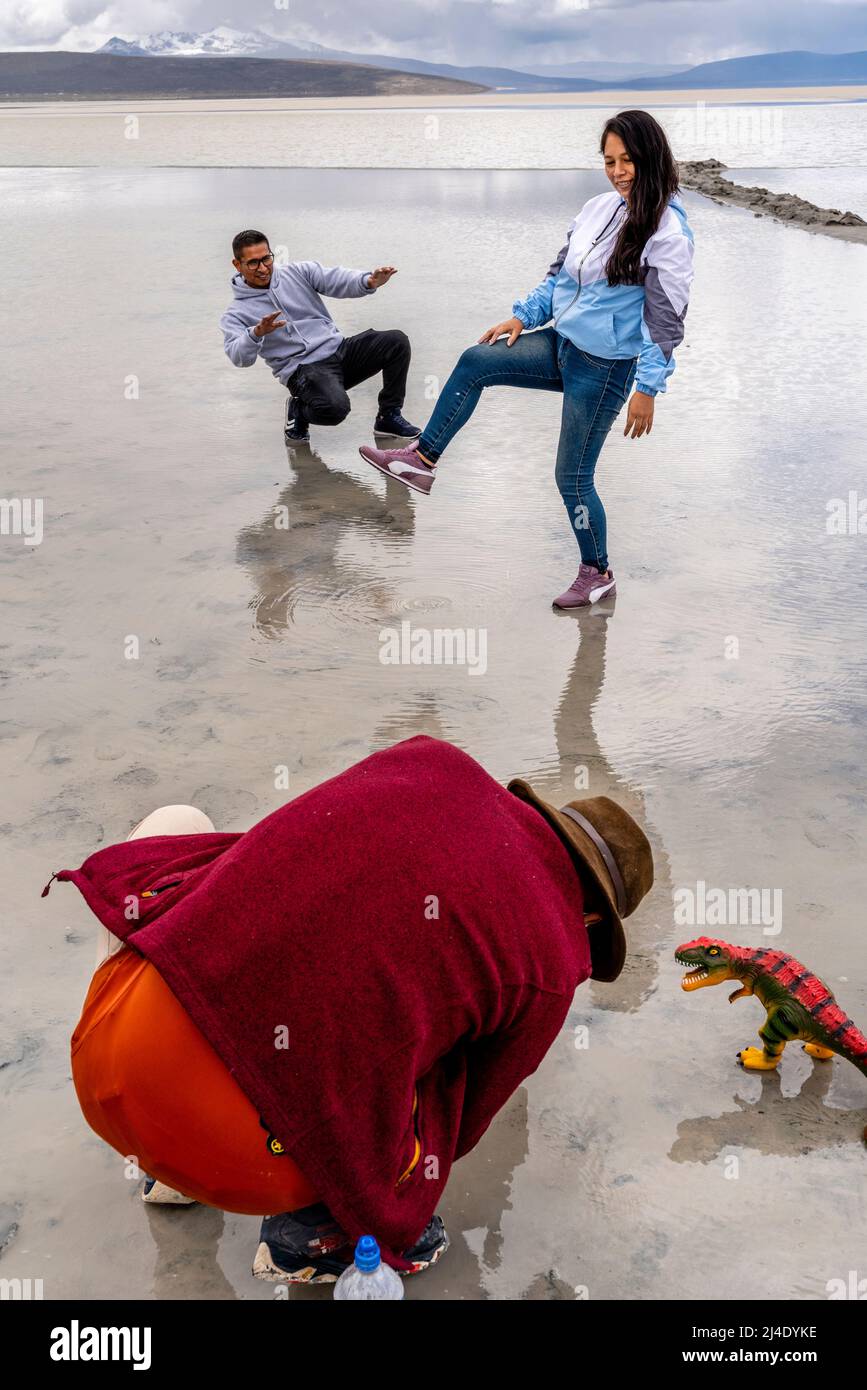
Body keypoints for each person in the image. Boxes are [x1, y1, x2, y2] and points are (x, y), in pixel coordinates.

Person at [48, 735, 653, 1284]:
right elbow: (461, 1123)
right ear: (595, 916)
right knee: (431, 1071)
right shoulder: (553, 957)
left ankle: (167, 1173)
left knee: (183, 828)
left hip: (109, 1062)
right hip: (234, 1159)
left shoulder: (431, 761)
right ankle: (307, 1237)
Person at [359, 110, 695, 609]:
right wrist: (524, 316)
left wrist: (647, 387)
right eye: (609, 160)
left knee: (572, 477)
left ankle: (597, 572)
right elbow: (561, 275)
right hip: (562, 344)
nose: (619, 171)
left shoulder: (668, 233)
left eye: (628, 160)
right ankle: (420, 460)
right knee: (477, 360)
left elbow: (665, 323)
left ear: (652, 158)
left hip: (605, 370)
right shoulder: (598, 208)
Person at [220, 229, 421, 446]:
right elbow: (239, 357)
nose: (262, 268)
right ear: (237, 264)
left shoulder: (298, 272)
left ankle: (388, 417)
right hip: (303, 371)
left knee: (396, 342)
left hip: (339, 350)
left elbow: (335, 279)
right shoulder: (236, 313)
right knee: (335, 409)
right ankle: (298, 411)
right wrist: (255, 334)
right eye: (253, 263)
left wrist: (369, 281)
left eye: (266, 258)